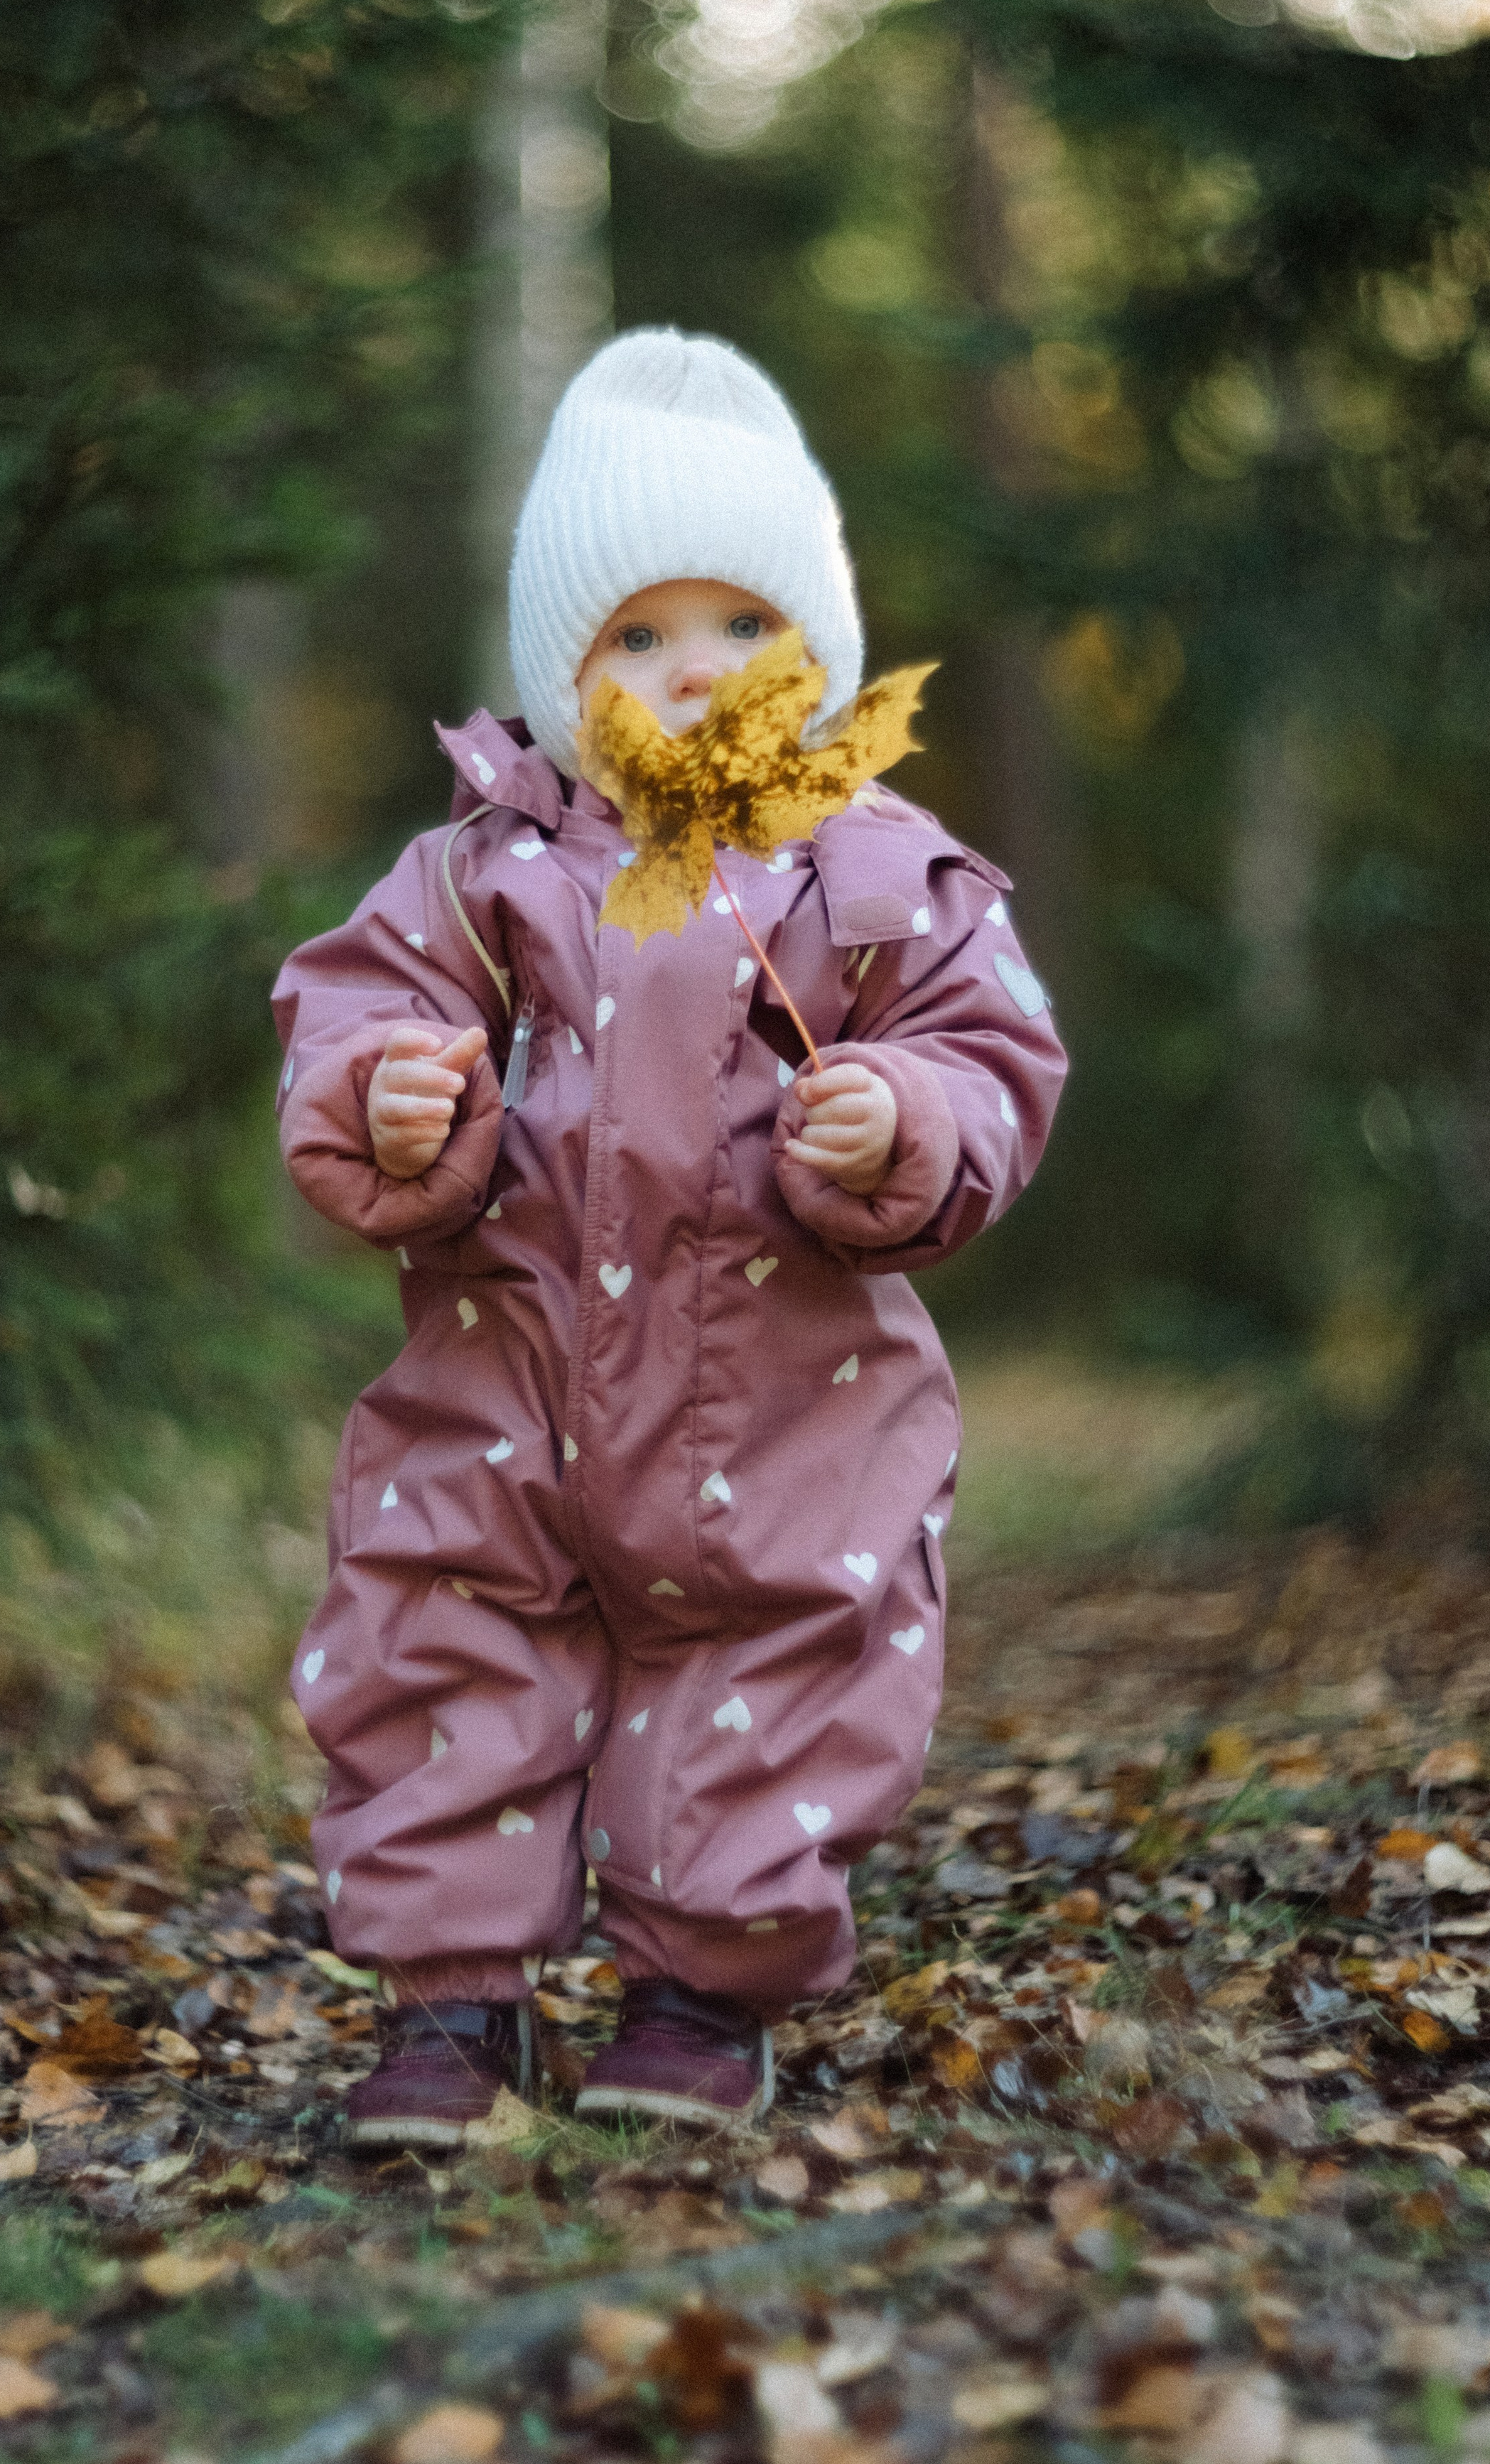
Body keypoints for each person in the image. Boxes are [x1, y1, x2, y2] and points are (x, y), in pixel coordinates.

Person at [273, 329, 1067, 2145]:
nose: (690, 669)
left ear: (819, 648)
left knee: (774, 1655)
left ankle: (703, 1986)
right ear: (563, 665)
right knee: (442, 1633)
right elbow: (344, 1016)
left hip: (785, 1391)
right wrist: (400, 1098)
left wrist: (909, 1114)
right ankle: (450, 2004)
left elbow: (992, 1047)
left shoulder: (879, 869)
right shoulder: (478, 872)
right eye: (635, 634)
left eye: (738, 625)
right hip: (505, 1371)